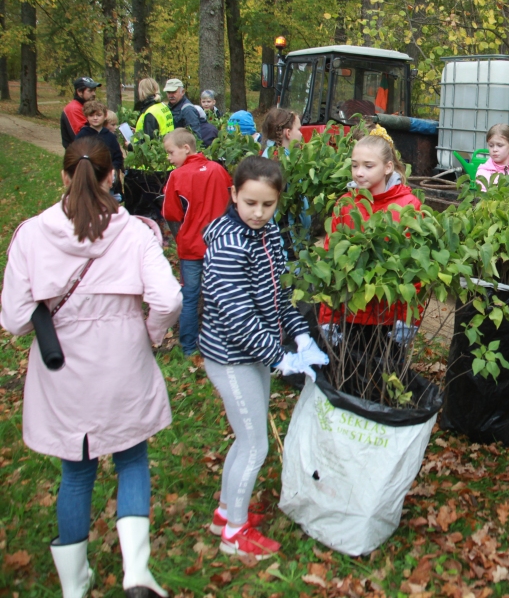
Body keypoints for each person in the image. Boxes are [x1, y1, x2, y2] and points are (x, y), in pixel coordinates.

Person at [1, 138, 181, 598]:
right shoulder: (136, 232)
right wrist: (152, 333)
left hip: (63, 367)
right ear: (112, 177)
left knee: (77, 471)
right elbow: (167, 298)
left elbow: (14, 318)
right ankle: (137, 571)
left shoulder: (32, 235)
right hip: (123, 359)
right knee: (132, 458)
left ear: (65, 176)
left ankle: (73, 583)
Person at [199, 155, 326, 559]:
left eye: (267, 205)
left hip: (257, 352)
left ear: (277, 201)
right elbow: (237, 315)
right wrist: (279, 357)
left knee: (246, 439)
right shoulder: (229, 245)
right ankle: (233, 534)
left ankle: (226, 512)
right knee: (255, 445)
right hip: (231, 357)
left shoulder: (269, 234)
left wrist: (300, 331)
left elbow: (276, 295)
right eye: (250, 202)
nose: (258, 212)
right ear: (233, 194)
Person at [318, 132, 422, 339]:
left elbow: (414, 268)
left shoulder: (408, 205)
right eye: (355, 165)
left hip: (389, 317)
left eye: (368, 166)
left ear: (388, 167)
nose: (359, 172)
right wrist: (327, 317)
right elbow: (331, 263)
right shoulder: (345, 204)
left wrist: (408, 319)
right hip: (350, 314)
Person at [162, 128, 233, 357]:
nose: (170, 159)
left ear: (186, 148)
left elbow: (171, 214)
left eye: (171, 153)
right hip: (220, 247)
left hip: (191, 247)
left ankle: (189, 348)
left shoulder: (177, 176)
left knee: (190, 298)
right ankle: (223, 345)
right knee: (221, 297)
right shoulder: (218, 170)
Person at [75, 100, 125, 199]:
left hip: (107, 178)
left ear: (105, 116)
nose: (95, 118)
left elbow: (118, 157)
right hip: (88, 178)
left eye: (98, 115)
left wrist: (114, 169)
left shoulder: (110, 136)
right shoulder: (82, 135)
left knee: (107, 206)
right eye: (91, 115)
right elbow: (75, 155)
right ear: (86, 117)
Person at [60, 77, 101, 149]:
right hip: (79, 154)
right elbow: (84, 137)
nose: (94, 94)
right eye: (90, 91)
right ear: (79, 92)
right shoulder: (74, 109)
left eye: (94, 90)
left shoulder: (84, 107)